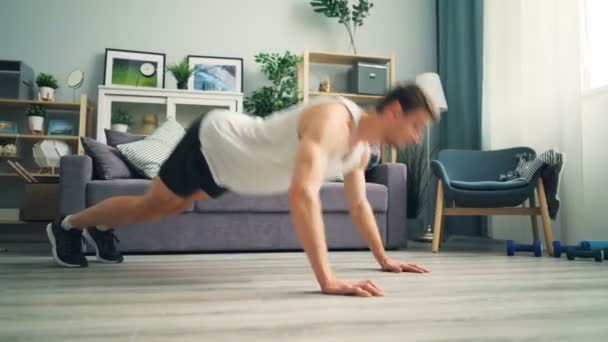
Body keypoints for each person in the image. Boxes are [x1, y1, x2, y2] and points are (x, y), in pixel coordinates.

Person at [47, 83, 437, 297]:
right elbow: (302, 194)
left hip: (231, 171)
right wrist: (328, 280)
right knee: (155, 207)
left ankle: (96, 228)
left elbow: (359, 207)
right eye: (417, 126)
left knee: (161, 207)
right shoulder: (334, 119)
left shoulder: (360, 151)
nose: (416, 139)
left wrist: (384, 258)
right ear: (396, 111)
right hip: (216, 142)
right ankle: (68, 225)